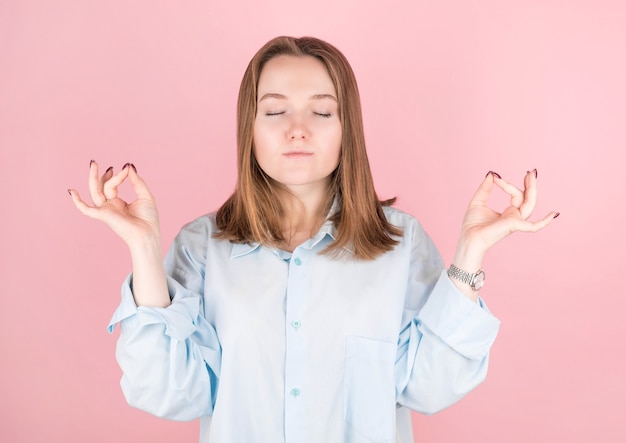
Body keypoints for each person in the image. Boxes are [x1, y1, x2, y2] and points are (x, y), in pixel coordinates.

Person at [69, 36, 558, 443]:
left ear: (348, 129)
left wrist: (471, 254)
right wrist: (143, 249)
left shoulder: (400, 243)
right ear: (250, 128)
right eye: (275, 112)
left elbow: (428, 387)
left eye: (322, 113)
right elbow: (169, 391)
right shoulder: (203, 246)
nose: (298, 130)